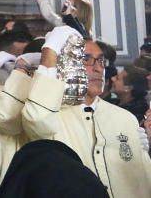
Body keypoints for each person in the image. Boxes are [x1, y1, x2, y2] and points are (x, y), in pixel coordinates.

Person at [21, 26, 151, 197]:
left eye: (101, 61)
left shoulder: (125, 118)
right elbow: (37, 120)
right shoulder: (50, 114)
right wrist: (49, 51)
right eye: (86, 59)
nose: (98, 68)